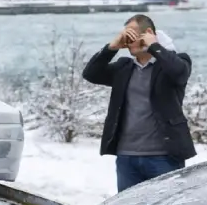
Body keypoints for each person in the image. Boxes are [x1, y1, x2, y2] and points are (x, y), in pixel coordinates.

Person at [82, 13, 196, 191]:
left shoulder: (173, 63)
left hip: (164, 156)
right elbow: (91, 74)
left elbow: (179, 72)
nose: (128, 41)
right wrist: (112, 47)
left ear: (148, 32)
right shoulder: (124, 68)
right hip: (127, 157)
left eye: (132, 35)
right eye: (126, 36)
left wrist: (154, 45)